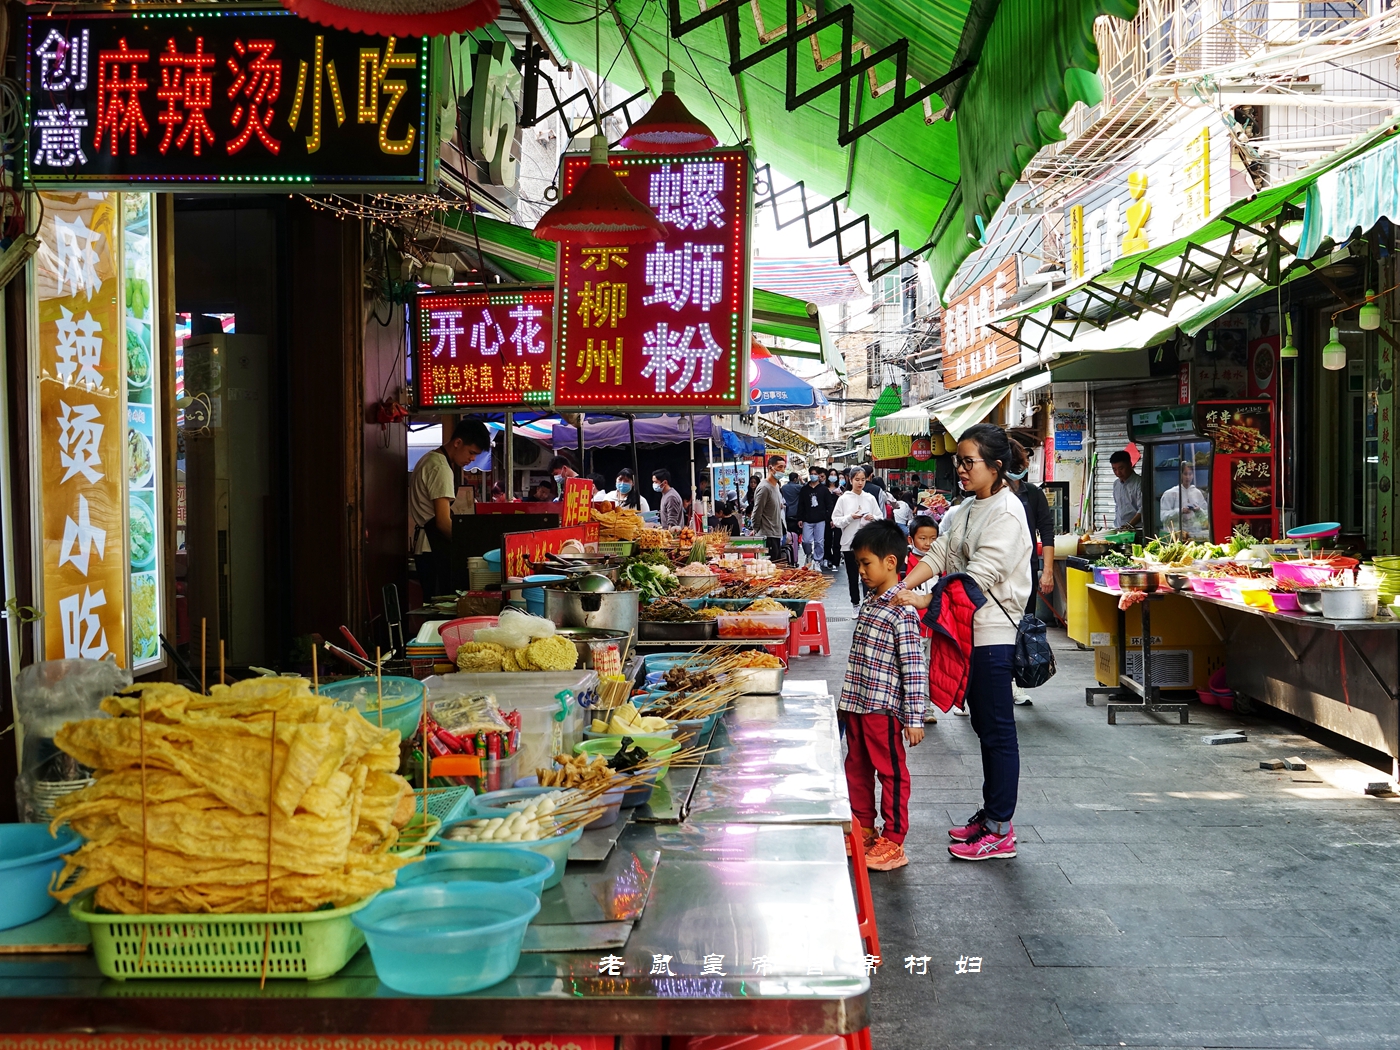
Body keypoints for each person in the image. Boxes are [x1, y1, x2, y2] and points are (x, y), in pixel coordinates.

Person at [895, 423, 1032, 861]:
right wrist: (901, 585)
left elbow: (977, 578)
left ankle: (1000, 828)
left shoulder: (1008, 512)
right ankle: (991, 816)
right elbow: (941, 553)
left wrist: (923, 599)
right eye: (960, 461)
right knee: (984, 728)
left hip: (993, 633)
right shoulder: (970, 507)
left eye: (969, 462)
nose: (961, 469)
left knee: (997, 731)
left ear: (995, 466)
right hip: (967, 631)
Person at [839, 519, 928, 871]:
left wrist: (914, 718)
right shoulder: (871, 602)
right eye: (858, 564)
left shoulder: (902, 611)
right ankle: (862, 827)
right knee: (856, 767)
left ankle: (893, 839)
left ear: (890, 562)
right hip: (857, 704)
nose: (861, 571)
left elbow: (914, 668)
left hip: (883, 709)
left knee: (890, 773)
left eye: (866, 563)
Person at [409, 418, 491, 599]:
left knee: (432, 601)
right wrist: (467, 547)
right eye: (471, 452)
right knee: (441, 604)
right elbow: (443, 522)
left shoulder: (428, 459)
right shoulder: (440, 468)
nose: (472, 459)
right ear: (457, 442)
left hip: (425, 545)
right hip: (433, 548)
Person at [1007, 444, 1056, 707]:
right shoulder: (988, 494)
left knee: (1021, 627)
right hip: (996, 573)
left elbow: (1046, 532)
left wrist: (1047, 571)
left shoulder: (1033, 494)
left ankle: (1015, 684)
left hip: (1026, 571)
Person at [906, 514, 940, 725]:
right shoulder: (904, 564)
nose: (928, 543)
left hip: (934, 625)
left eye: (933, 538)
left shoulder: (940, 565)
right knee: (914, 666)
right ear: (911, 539)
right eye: (923, 538)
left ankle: (926, 706)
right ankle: (912, 705)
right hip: (912, 626)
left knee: (929, 666)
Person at [832, 467, 883, 605]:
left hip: (868, 543)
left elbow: (880, 517)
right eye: (857, 479)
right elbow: (836, 520)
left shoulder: (870, 498)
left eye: (863, 480)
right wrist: (850, 517)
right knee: (852, 576)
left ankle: (868, 601)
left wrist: (873, 517)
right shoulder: (843, 499)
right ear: (850, 480)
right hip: (849, 543)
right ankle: (855, 603)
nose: (860, 483)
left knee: (869, 574)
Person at [1160, 460, 1210, 539]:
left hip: (1194, 535)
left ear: (1193, 475)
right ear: (1181, 475)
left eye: (1190, 474)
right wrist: (1180, 511)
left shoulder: (1197, 493)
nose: (1188, 477)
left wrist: (1198, 510)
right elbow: (1163, 517)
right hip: (1176, 536)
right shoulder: (1170, 493)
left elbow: (1207, 516)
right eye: (1185, 474)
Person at [751, 457, 788, 561]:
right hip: (767, 535)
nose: (783, 470)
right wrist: (756, 529)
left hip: (776, 534)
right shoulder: (764, 488)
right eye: (779, 467)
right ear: (770, 468)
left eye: (784, 467)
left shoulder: (776, 486)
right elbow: (757, 512)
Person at [799, 468, 833, 569]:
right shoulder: (804, 489)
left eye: (815, 474)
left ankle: (818, 560)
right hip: (807, 519)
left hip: (820, 520)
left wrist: (828, 517)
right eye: (811, 474)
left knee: (819, 542)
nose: (813, 475)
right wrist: (800, 518)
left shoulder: (824, 490)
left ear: (818, 475)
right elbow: (801, 505)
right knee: (806, 541)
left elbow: (829, 504)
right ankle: (808, 555)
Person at [1110, 450, 1143, 530]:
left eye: (1121, 468)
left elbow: (1143, 509)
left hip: (1137, 529)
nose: (1118, 472)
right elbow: (1118, 507)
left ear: (1130, 464)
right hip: (1120, 528)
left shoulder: (1140, 483)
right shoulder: (1116, 484)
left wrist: (1129, 525)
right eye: (1114, 469)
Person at [781, 471, 804, 565]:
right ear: (795, 479)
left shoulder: (783, 488)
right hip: (795, 514)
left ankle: (790, 558)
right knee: (795, 537)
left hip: (786, 514)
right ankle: (794, 557)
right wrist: (802, 481)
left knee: (788, 537)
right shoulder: (798, 487)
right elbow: (807, 488)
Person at [824, 473, 843, 570]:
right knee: (827, 539)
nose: (833, 476)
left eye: (834, 474)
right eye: (831, 474)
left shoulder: (842, 489)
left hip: (839, 518)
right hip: (827, 518)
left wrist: (840, 495)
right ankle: (827, 558)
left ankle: (836, 560)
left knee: (837, 541)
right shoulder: (824, 489)